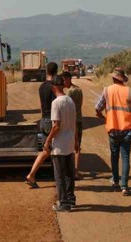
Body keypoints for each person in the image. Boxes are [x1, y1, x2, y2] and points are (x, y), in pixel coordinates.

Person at [95, 67, 131, 196]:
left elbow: (97, 109)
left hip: (113, 130)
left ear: (113, 78)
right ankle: (125, 187)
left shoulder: (107, 91)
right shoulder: (130, 92)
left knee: (114, 155)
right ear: (123, 79)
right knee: (125, 158)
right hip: (127, 131)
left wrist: (104, 118)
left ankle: (115, 180)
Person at [45, 75, 78, 212]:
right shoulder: (70, 100)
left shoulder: (56, 103)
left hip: (59, 144)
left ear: (53, 87)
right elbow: (74, 124)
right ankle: (71, 199)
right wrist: (76, 141)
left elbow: (56, 126)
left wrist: (47, 140)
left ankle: (63, 203)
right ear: (62, 85)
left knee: (59, 176)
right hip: (70, 142)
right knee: (69, 175)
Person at [25, 62, 58, 188]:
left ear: (46, 71)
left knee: (46, 151)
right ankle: (58, 178)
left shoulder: (41, 87)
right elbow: (56, 106)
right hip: (52, 120)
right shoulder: (54, 87)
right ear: (56, 72)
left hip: (44, 119)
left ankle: (32, 175)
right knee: (56, 150)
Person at [62, 71, 83, 179]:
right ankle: (76, 171)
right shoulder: (79, 89)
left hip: (72, 121)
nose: (63, 83)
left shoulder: (69, 93)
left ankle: (72, 171)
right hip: (79, 119)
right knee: (77, 147)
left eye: (64, 80)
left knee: (71, 146)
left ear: (68, 79)